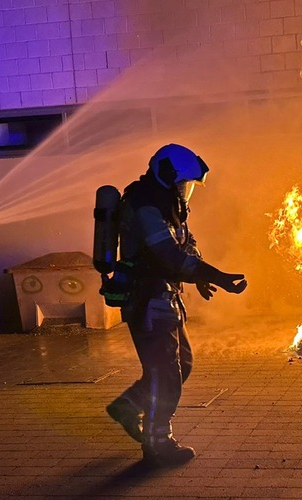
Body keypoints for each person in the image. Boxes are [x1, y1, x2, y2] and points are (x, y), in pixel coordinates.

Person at [105, 144, 247, 465]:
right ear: (166, 176)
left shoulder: (166, 204)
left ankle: (129, 405)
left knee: (182, 364)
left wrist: (200, 275)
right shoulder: (145, 207)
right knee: (165, 373)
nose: (185, 190)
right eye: (183, 183)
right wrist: (217, 276)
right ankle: (158, 444)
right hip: (147, 300)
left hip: (164, 298)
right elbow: (167, 255)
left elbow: (185, 244)